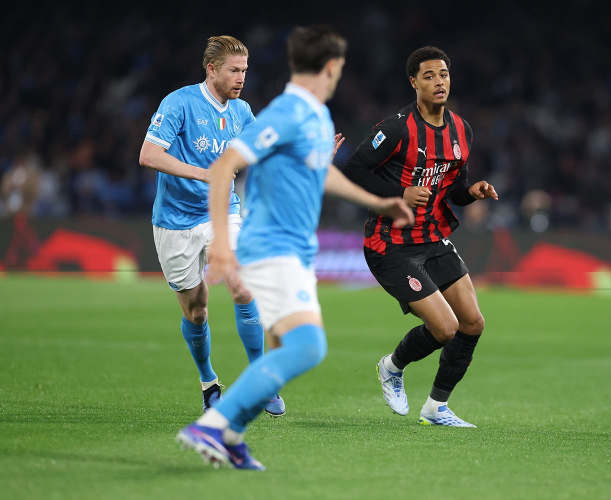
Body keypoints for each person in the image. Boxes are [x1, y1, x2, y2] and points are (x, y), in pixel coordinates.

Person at [175, 25, 414, 470]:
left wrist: (379, 201)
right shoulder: (288, 112)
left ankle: (231, 435)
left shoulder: (315, 115)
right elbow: (226, 165)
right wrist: (222, 246)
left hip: (296, 252)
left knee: (285, 346)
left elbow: (321, 171)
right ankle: (213, 425)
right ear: (331, 67)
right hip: (272, 248)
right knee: (307, 347)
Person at [342, 46, 498, 428]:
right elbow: (354, 169)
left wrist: (471, 191)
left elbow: (454, 188)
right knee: (445, 328)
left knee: (472, 323)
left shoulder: (461, 130)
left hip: (431, 238)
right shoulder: (396, 128)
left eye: (443, 74)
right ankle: (391, 367)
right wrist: (399, 193)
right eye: (429, 76)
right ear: (413, 82)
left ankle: (436, 408)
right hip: (390, 244)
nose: (439, 82)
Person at [139, 36, 285, 417]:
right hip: (174, 221)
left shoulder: (242, 111)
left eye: (245, 71)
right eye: (234, 70)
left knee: (242, 285)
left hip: (222, 211)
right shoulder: (179, 103)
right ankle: (208, 382)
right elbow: (149, 154)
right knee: (197, 310)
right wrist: (203, 173)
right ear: (212, 69)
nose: (241, 78)